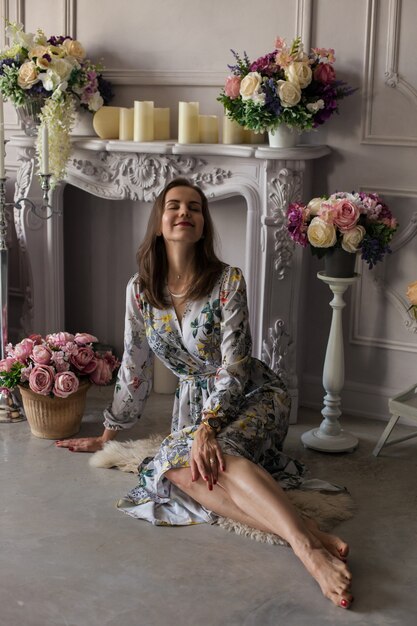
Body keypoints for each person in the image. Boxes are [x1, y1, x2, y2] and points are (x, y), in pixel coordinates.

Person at [56, 178, 353, 609]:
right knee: (172, 471)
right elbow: (135, 366)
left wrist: (207, 429)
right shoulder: (139, 291)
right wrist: (108, 434)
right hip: (191, 408)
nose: (184, 213)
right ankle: (307, 529)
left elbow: (234, 367)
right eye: (173, 206)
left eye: (194, 208)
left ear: (202, 225)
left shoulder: (228, 281)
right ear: (159, 223)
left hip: (252, 394)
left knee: (221, 455)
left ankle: (308, 552)